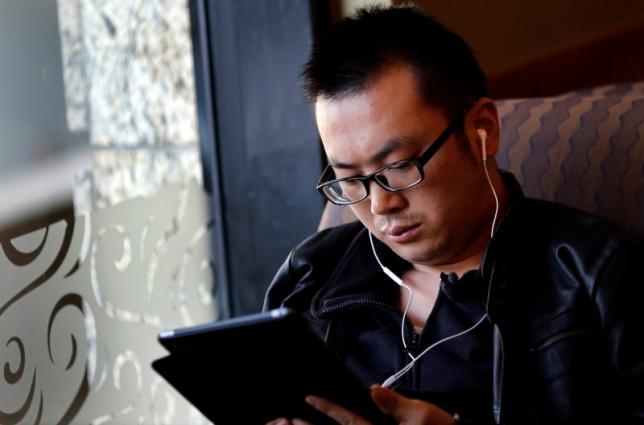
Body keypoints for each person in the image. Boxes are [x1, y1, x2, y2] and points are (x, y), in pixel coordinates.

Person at [263, 5, 644, 425]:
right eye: (349, 178)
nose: (379, 205)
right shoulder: (311, 276)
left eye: (399, 167)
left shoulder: (598, 276)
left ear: (483, 129)